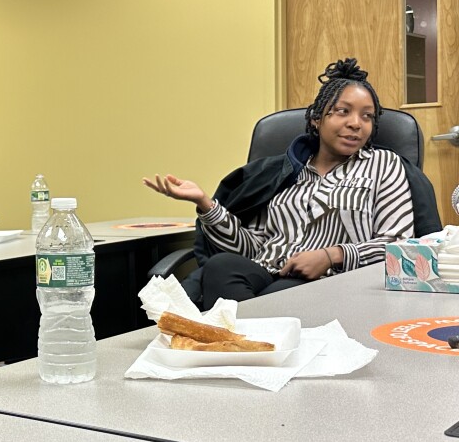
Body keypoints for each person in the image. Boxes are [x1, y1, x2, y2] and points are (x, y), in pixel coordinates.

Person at [143, 58, 441, 310]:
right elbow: (252, 247)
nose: (356, 123)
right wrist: (205, 204)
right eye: (343, 111)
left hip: (333, 281)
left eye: (367, 117)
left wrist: (332, 255)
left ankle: (240, 346)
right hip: (266, 269)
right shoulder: (286, 172)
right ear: (316, 119)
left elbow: (399, 243)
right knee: (222, 266)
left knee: (276, 298)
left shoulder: (384, 165)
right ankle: (245, 346)